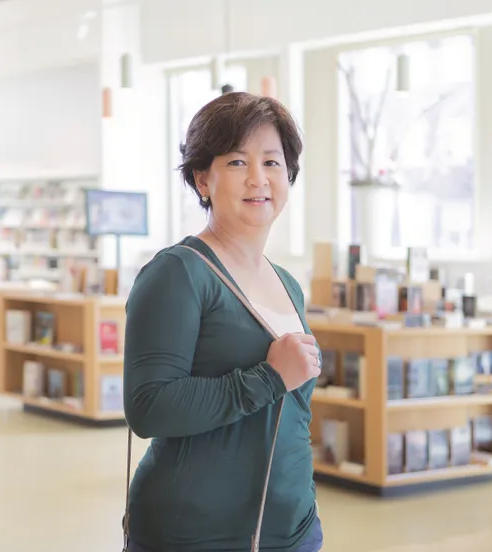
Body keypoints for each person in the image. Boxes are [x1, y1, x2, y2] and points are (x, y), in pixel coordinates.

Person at [122, 91, 324, 552]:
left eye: (273, 162)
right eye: (237, 162)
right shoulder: (179, 273)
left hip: (294, 531)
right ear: (202, 179)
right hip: (194, 536)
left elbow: (291, 416)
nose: (259, 179)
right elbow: (148, 406)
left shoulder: (288, 284)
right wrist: (269, 377)